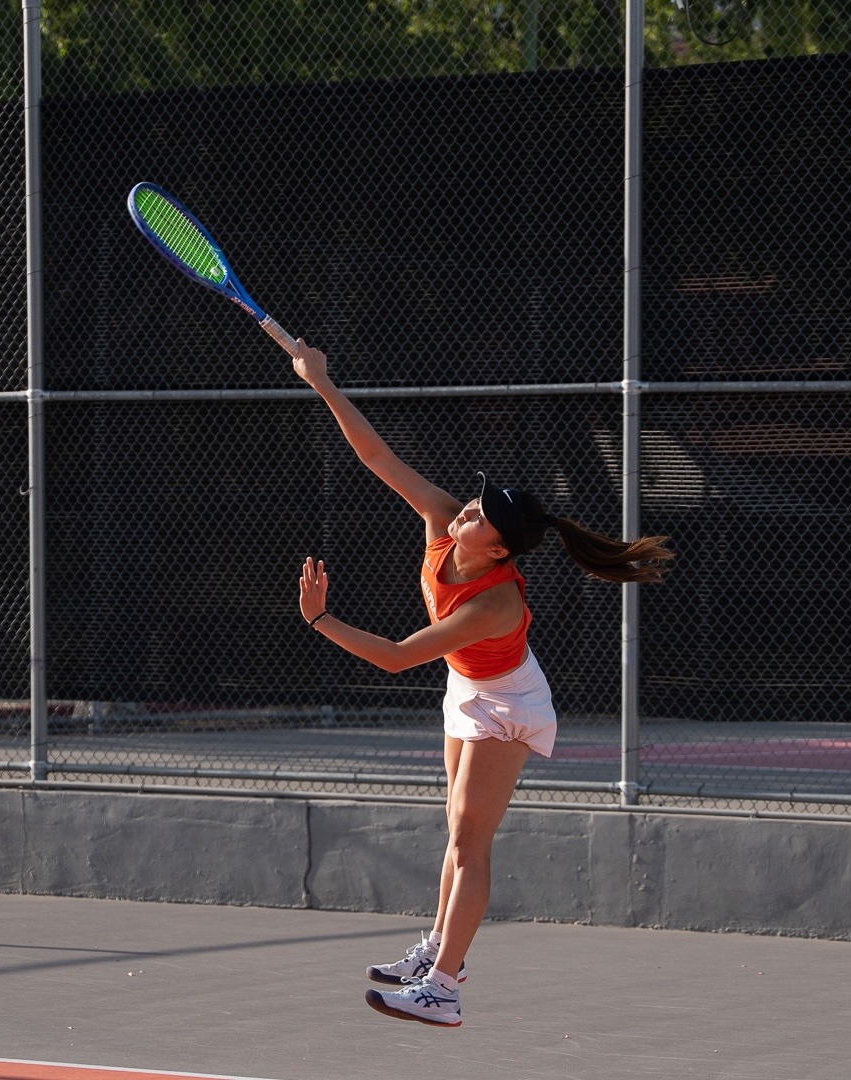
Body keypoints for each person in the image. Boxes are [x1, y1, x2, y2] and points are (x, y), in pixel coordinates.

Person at [289, 340, 674, 1028]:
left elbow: (398, 657)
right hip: (466, 690)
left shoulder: (496, 602)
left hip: (508, 704)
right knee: (455, 831)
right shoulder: (444, 522)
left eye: (481, 516)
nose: (466, 509)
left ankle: (443, 989)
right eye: (473, 503)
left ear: (496, 549)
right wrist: (323, 384)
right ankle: (440, 947)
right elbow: (378, 457)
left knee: (471, 844)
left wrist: (320, 619)